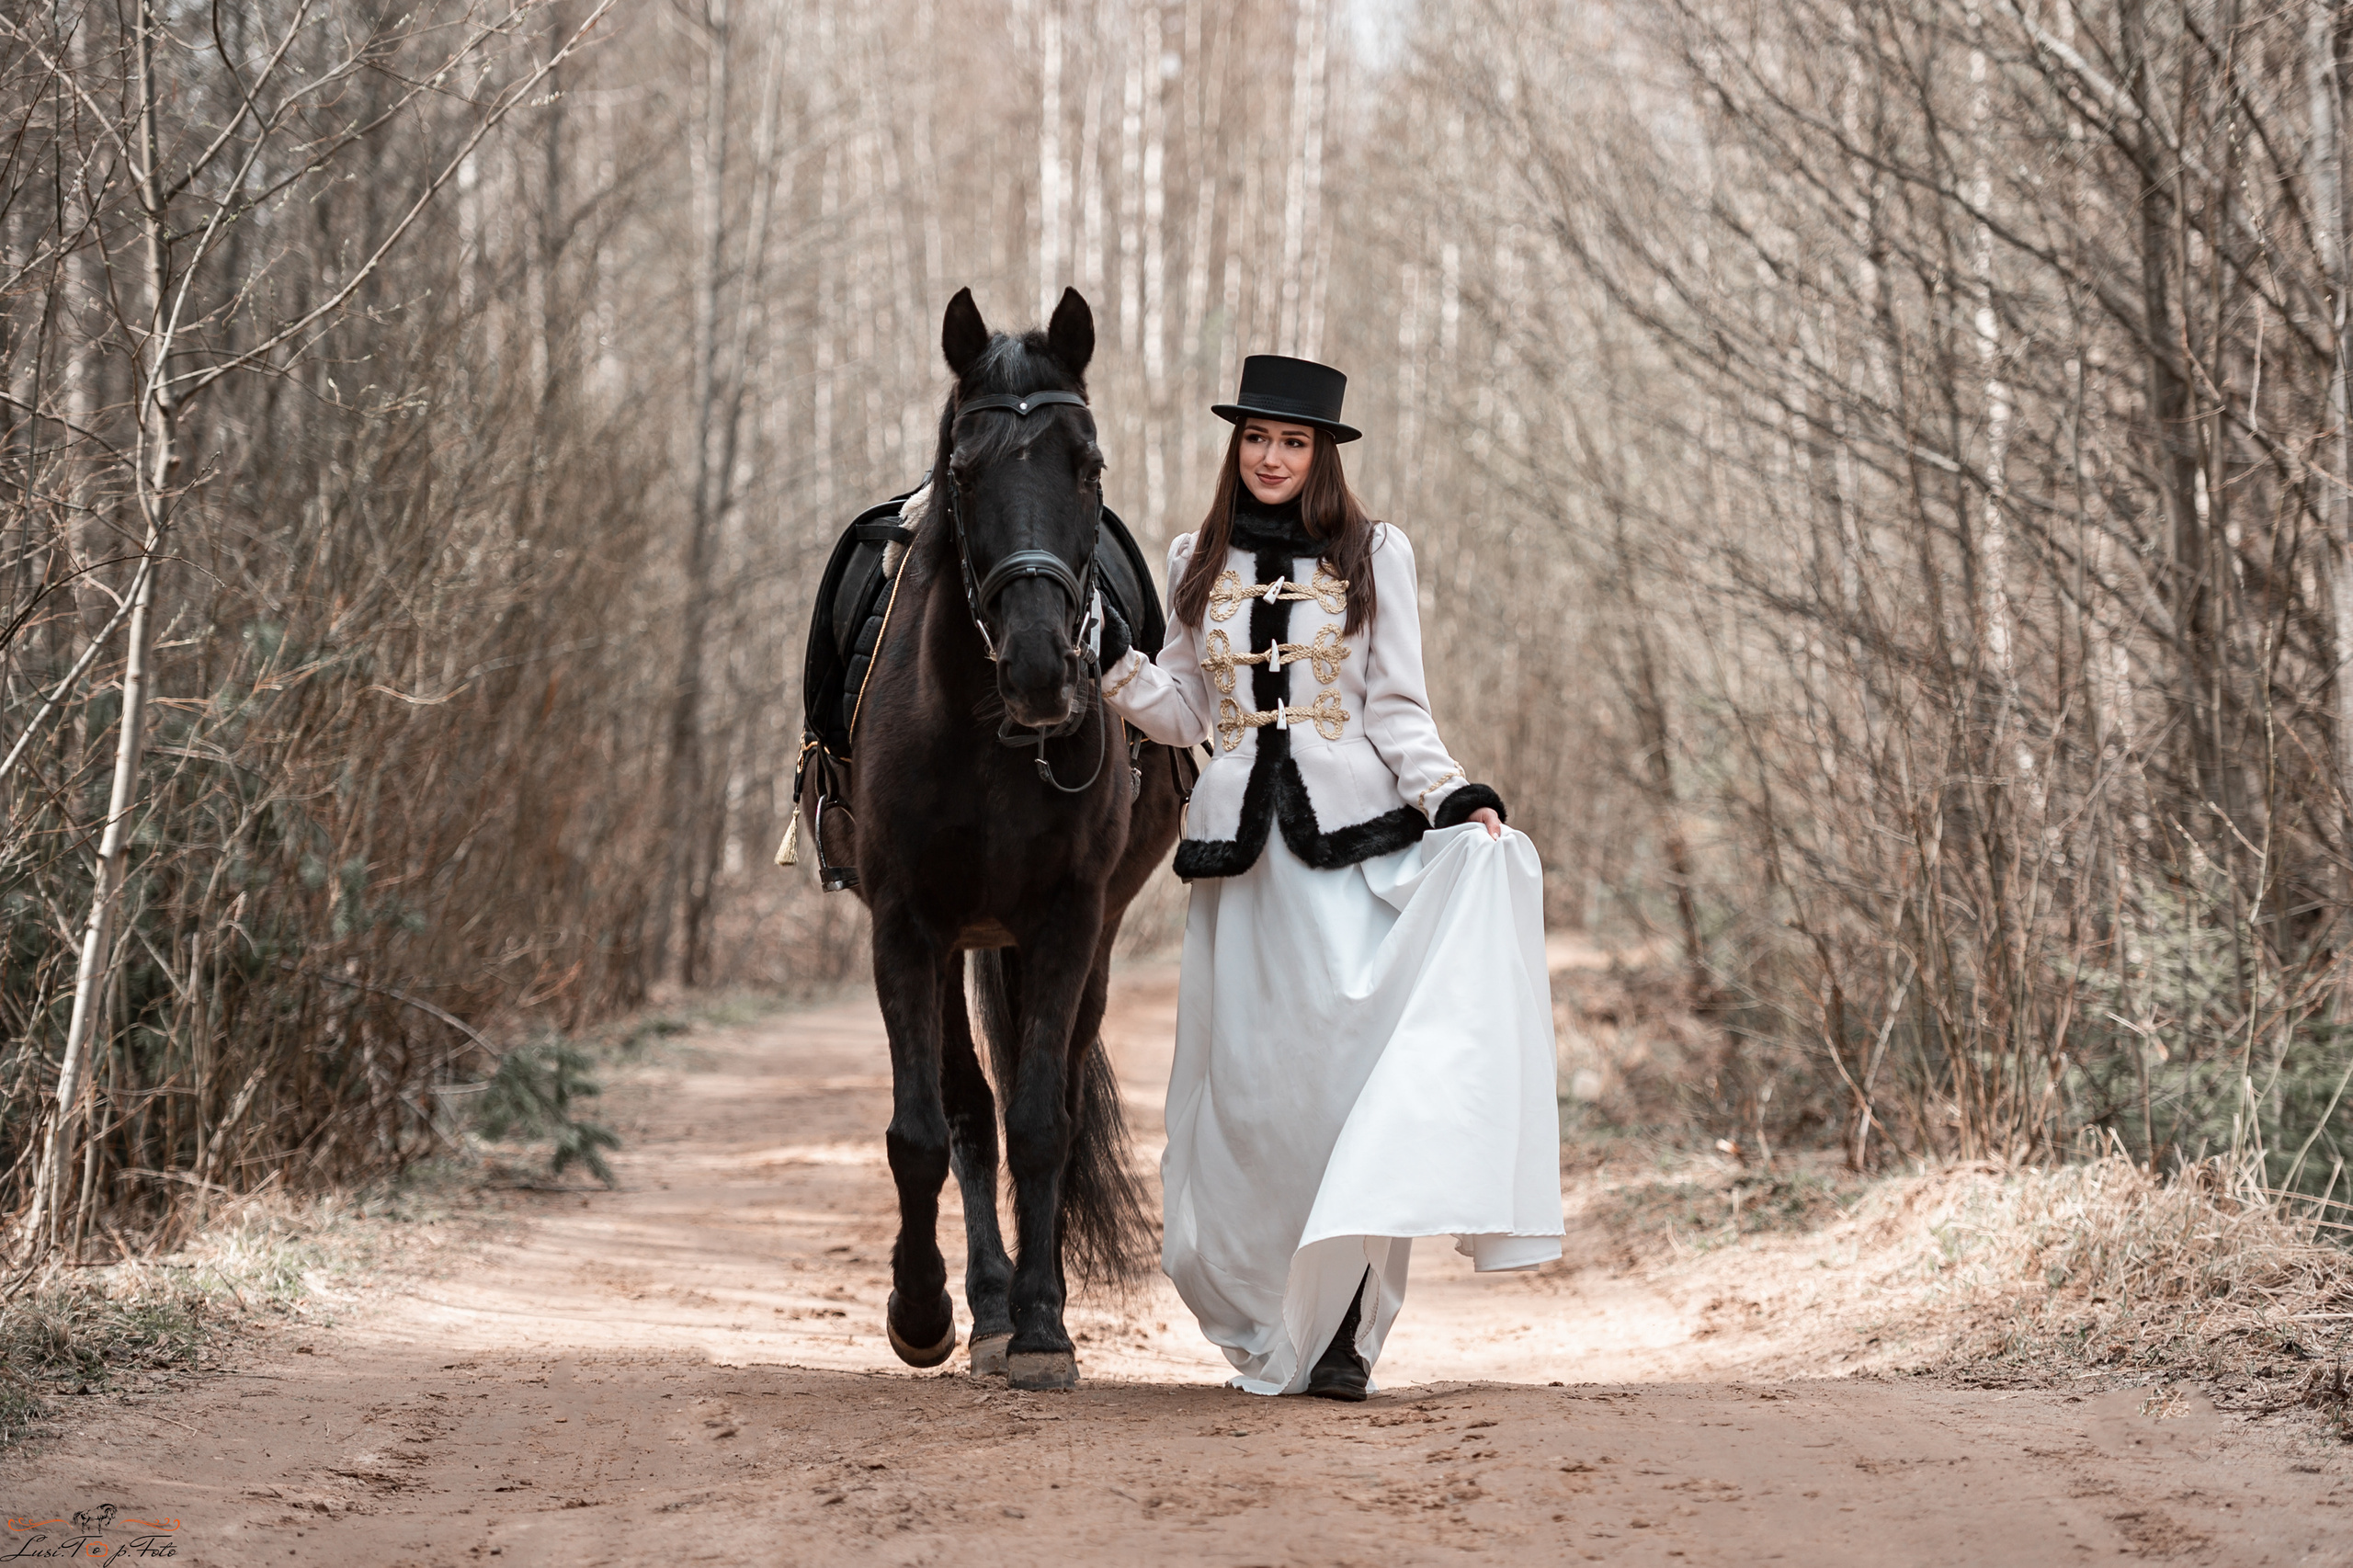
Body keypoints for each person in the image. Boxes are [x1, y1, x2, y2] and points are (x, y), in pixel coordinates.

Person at [1095, 354, 1564, 1401]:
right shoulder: (1193, 559)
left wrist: (1451, 795)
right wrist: (1112, 669)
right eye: (1257, 437)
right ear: (1238, 445)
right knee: (1250, 1102)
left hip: (1349, 853)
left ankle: (1350, 1326)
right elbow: (1187, 713)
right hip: (1238, 869)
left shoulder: (1372, 552)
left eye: (1292, 441)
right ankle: (1270, 1310)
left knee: (1343, 1091)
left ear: (1322, 454)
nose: (1270, 456)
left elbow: (1398, 708)